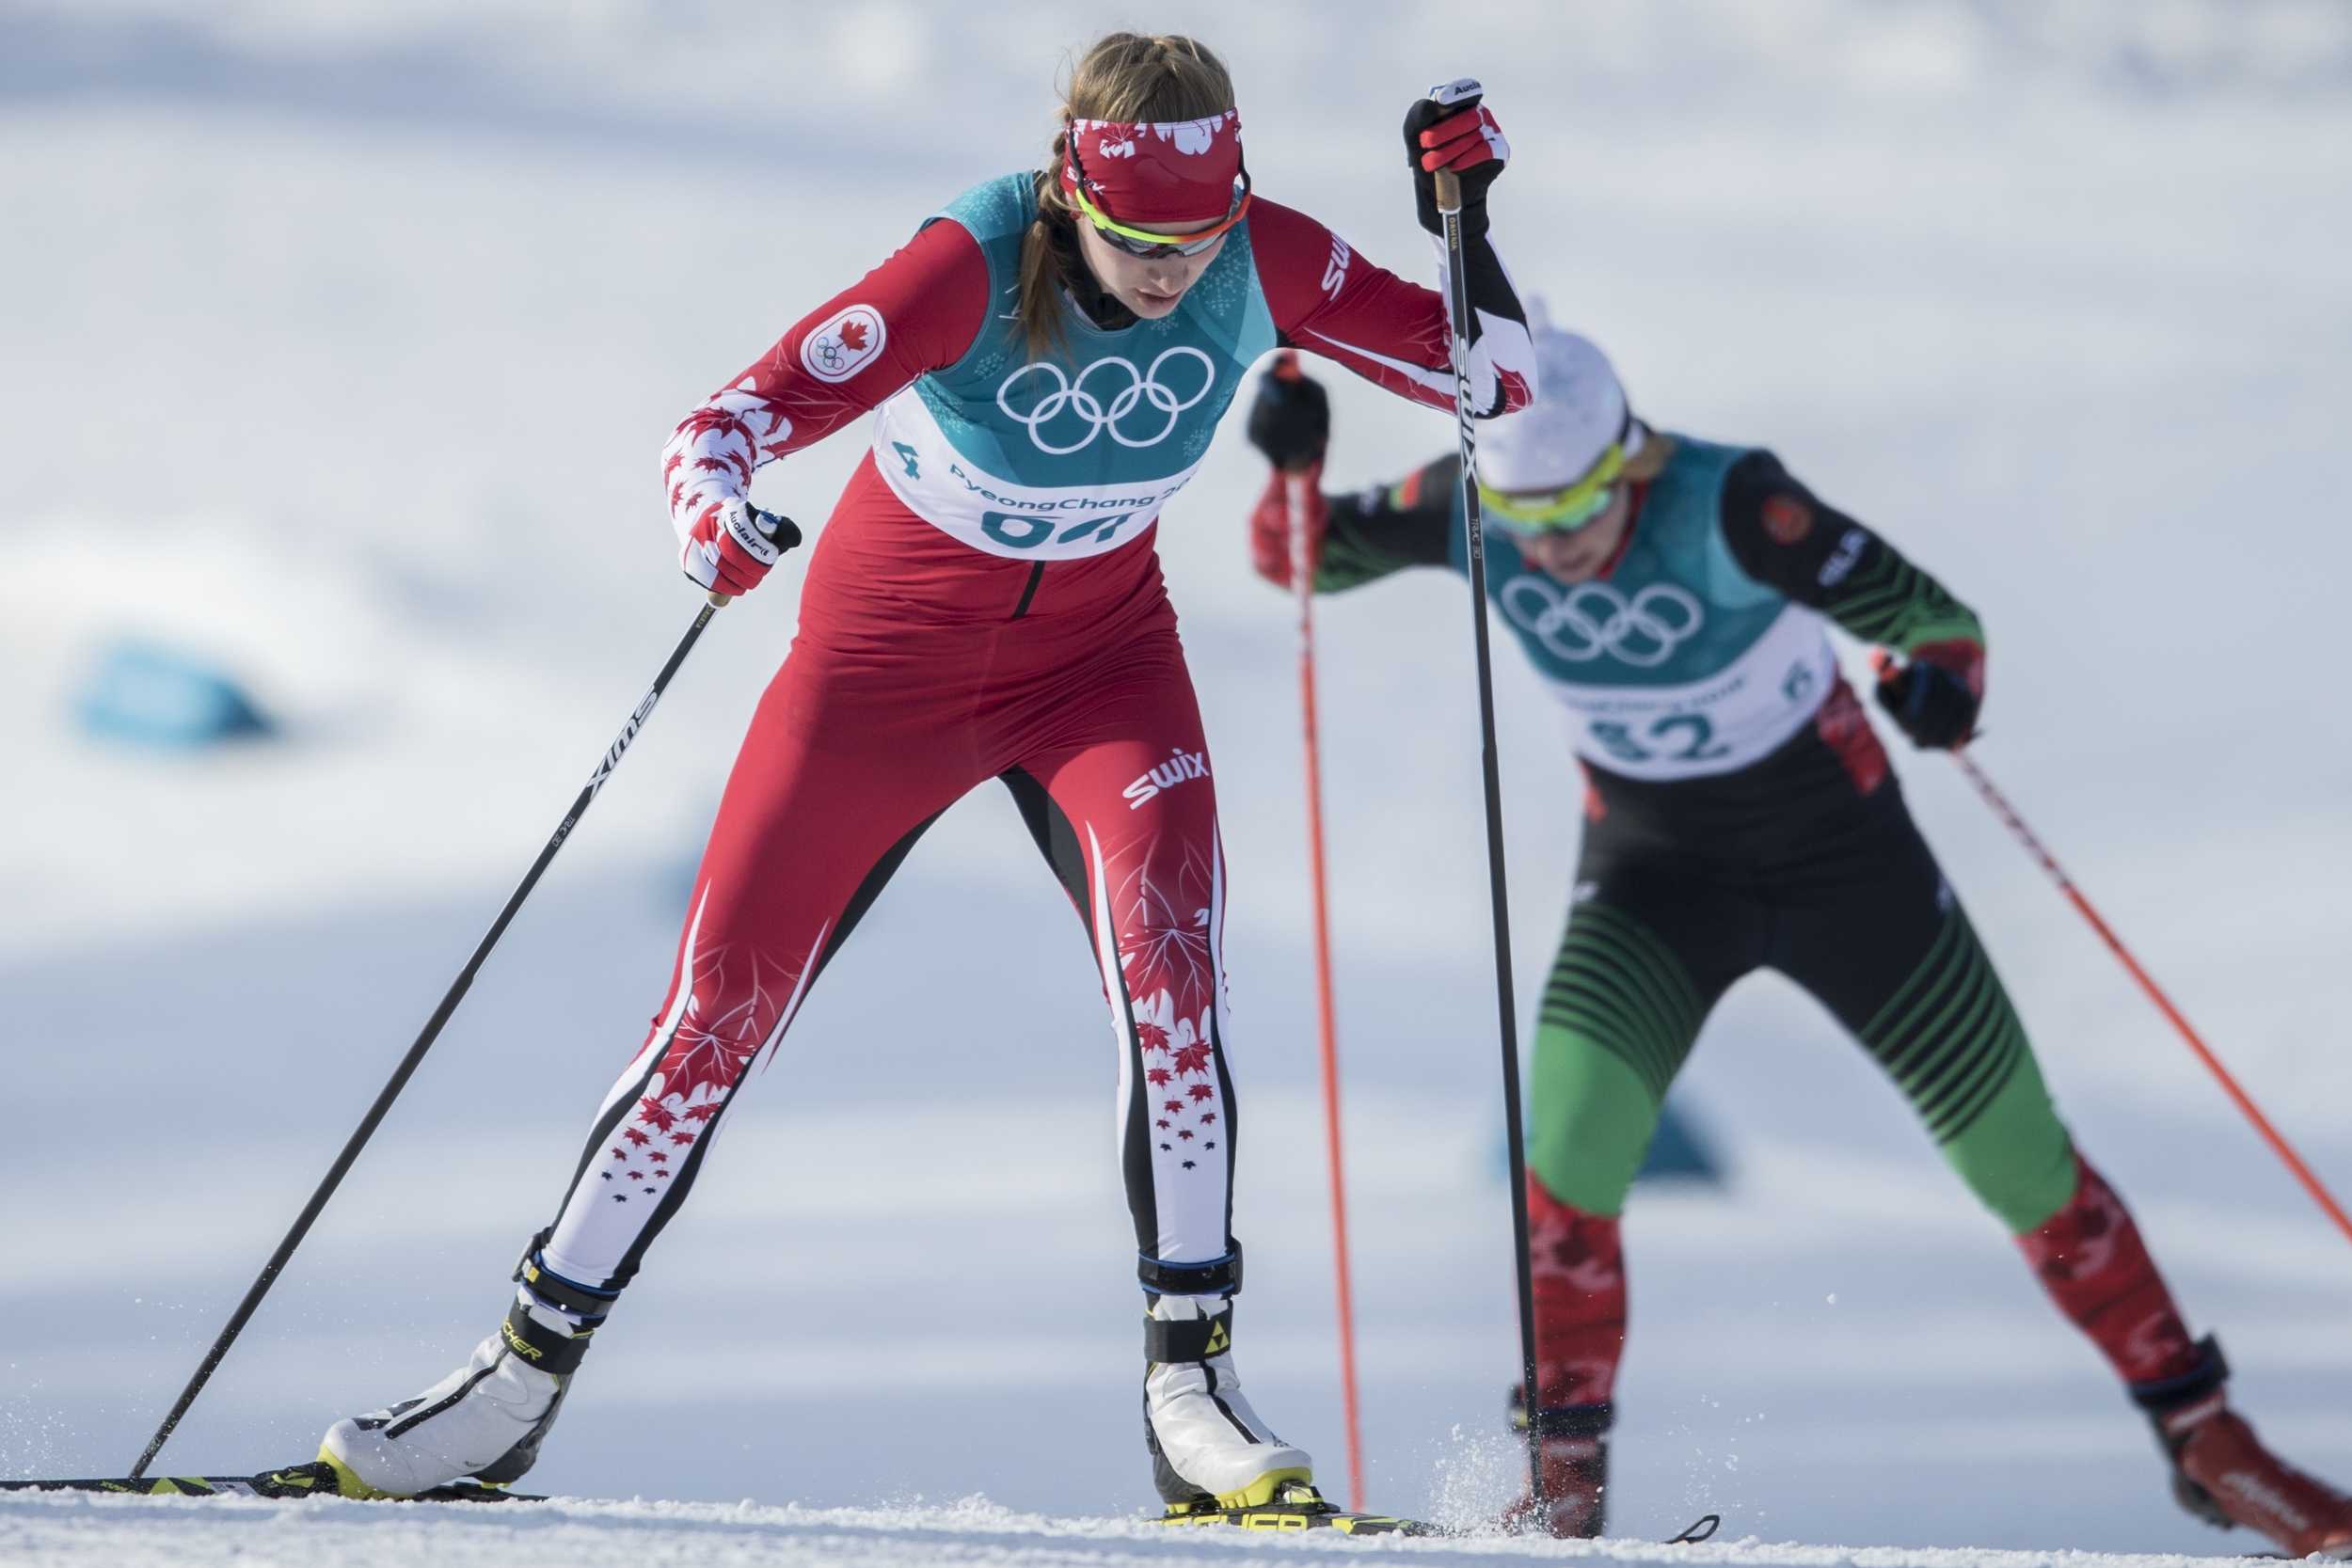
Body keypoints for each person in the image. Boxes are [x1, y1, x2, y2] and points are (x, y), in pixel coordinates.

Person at [279, 35, 1534, 1514]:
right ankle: (511, 1384)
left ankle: (1192, 1381)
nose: (1172, 273)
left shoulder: (1263, 257)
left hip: (1100, 670)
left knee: (1173, 974)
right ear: (1073, 190)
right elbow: (721, 428)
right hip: (877, 683)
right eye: (1138, 240)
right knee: (712, 1022)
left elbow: (1505, 388)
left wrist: (1471, 230)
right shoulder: (973, 258)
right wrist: (715, 520)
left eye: (1198, 236)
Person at [1240, 314, 2352, 1552]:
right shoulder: (1473, 505)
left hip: (1848, 871)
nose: (1550, 551)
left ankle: (2210, 1444)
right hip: (1657, 882)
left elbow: (1937, 620)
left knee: (2023, 1164)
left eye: (1576, 516)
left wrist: (1940, 683)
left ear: (1633, 464)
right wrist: (1291, 465)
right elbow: (1300, 558)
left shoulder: (1734, 502)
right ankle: (1563, 1485)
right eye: (1526, 525)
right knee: (1569, 1156)